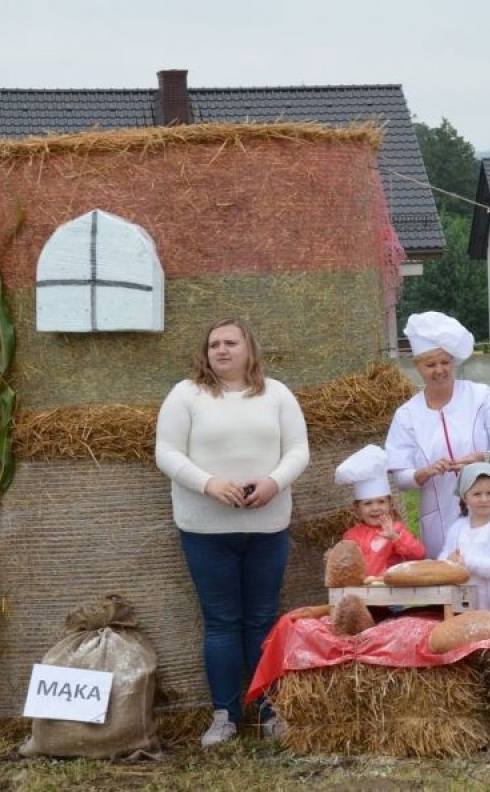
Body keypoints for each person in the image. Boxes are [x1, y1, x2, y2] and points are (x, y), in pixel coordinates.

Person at [155, 317, 310, 747]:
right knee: (222, 622)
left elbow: (298, 449)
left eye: (230, 343)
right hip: (206, 528)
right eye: (213, 345)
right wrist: (210, 483)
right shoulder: (186, 395)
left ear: (249, 348)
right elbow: (166, 452)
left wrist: (273, 482)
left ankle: (269, 710)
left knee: (262, 619)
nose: (220, 351)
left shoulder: (277, 394)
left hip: (267, 525)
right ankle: (225, 713)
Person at [385, 311, 490, 558]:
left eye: (445, 362)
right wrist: (424, 472)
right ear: (417, 366)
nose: (439, 370)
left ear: (454, 362)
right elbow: (401, 479)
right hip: (442, 516)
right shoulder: (407, 415)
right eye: (430, 364)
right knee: (450, 581)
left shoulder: (480, 396)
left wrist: (483, 457)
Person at [440, 462, 490, 613]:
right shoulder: (457, 528)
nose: (484, 499)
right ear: (465, 497)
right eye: (477, 494)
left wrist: (468, 563)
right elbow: (443, 559)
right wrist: (448, 561)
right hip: (463, 609)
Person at [333, 444, 425, 578]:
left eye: (381, 501)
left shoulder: (396, 529)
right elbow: (346, 565)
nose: (375, 508)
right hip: (361, 591)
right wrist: (335, 558)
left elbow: (419, 554)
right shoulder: (352, 536)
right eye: (368, 503)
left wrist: (395, 537)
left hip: (390, 591)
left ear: (391, 504)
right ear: (357, 509)